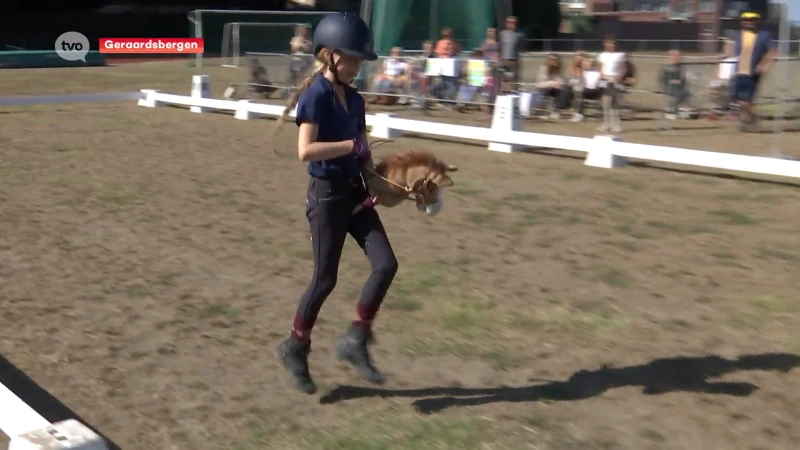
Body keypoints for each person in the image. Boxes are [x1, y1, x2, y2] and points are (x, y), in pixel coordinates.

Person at [274, 12, 398, 395]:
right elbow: (305, 150)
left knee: (386, 264)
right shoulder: (315, 96)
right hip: (327, 197)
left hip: (356, 192)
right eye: (354, 58)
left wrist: (385, 183)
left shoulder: (357, 100)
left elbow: (365, 155)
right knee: (325, 279)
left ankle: (355, 339)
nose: (359, 66)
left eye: (362, 59)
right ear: (329, 55)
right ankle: (295, 345)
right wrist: (350, 146)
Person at [732, 10, 776, 130]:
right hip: (738, 71)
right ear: (742, 21)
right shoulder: (737, 35)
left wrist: (763, 64)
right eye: (746, 19)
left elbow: (772, 51)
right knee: (737, 99)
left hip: (753, 73)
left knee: (746, 100)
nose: (749, 22)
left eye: (752, 20)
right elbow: (731, 50)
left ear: (757, 21)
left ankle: (749, 120)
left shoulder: (764, 35)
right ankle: (751, 118)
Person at [597, 35, 626, 133]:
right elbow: (600, 69)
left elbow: (623, 68)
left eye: (612, 44)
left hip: (616, 81)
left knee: (615, 104)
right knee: (606, 103)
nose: (609, 46)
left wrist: (618, 78)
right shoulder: (602, 55)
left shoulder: (620, 55)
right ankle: (606, 123)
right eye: (607, 44)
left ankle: (616, 124)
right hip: (605, 80)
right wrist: (607, 77)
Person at [498, 16, 525, 92]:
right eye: (509, 22)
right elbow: (500, 46)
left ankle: (514, 93)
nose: (511, 24)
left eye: (513, 22)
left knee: (514, 79)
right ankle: (504, 93)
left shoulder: (520, 35)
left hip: (514, 60)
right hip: (504, 59)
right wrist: (499, 58)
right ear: (506, 23)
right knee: (504, 79)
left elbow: (522, 46)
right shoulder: (502, 34)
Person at [659, 49, 687, 120]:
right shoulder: (665, 66)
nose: (676, 58)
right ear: (670, 57)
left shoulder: (682, 67)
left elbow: (683, 78)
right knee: (672, 89)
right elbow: (662, 79)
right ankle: (669, 110)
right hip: (668, 88)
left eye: (678, 56)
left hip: (681, 87)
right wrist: (670, 81)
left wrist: (680, 81)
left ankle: (679, 109)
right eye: (674, 56)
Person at [535, 53, 564, 119]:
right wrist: (550, 83)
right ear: (548, 60)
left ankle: (553, 111)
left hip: (553, 90)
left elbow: (561, 82)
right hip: (543, 89)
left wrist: (558, 84)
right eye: (551, 59)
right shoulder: (543, 69)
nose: (553, 61)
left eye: (555, 60)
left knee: (559, 90)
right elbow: (538, 84)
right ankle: (545, 112)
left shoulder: (558, 71)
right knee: (546, 90)